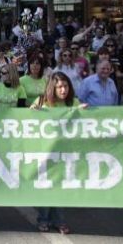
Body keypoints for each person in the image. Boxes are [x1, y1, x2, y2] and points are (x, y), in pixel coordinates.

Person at [31, 72, 87, 235]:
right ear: (52, 89)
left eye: (66, 86)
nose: (63, 90)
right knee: (47, 187)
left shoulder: (74, 102)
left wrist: (85, 112)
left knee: (61, 187)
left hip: (67, 153)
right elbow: (26, 122)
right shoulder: (42, 102)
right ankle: (43, 219)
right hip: (46, 153)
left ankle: (59, 221)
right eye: (59, 87)